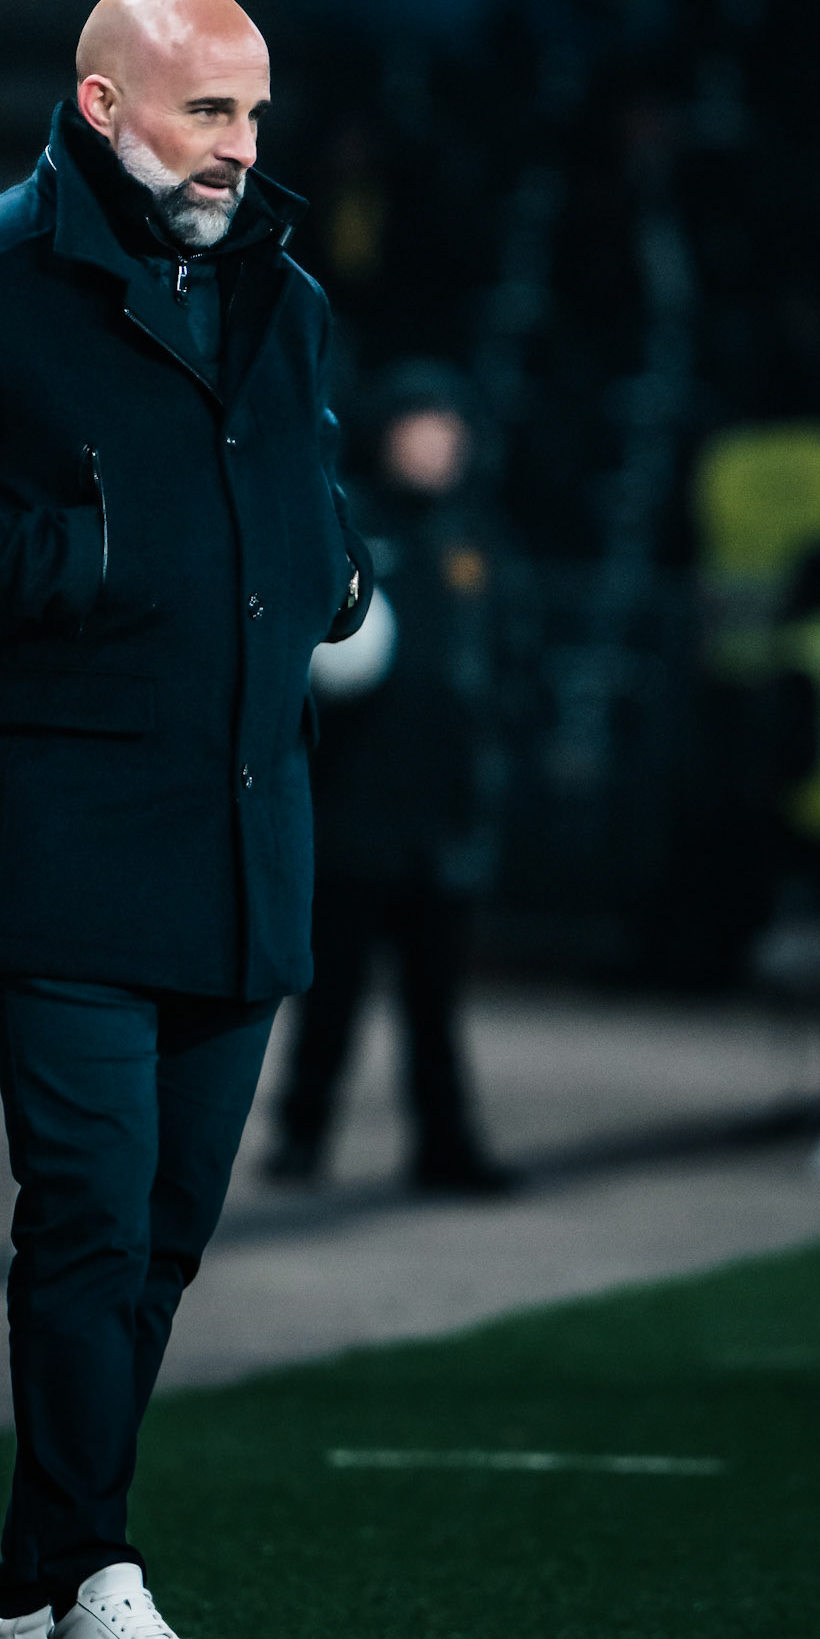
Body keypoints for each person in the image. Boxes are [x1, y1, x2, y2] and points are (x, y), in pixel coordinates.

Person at [0, 0, 372, 1639]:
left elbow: (306, 499)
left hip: (244, 834)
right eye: (211, 111)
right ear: (107, 106)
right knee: (89, 1219)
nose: (243, 146)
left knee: (164, 1240)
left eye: (258, 112)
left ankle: (24, 1598)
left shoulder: (284, 293)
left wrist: (334, 572)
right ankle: (101, 1576)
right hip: (59, 834)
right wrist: (87, 568)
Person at [265, 360, 510, 1194]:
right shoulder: (351, 521)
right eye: (422, 428)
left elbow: (488, 667)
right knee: (330, 988)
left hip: (440, 812)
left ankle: (445, 1145)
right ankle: (300, 1138)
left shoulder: (468, 538)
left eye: (450, 431)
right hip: (353, 805)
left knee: (434, 1000)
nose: (439, 446)